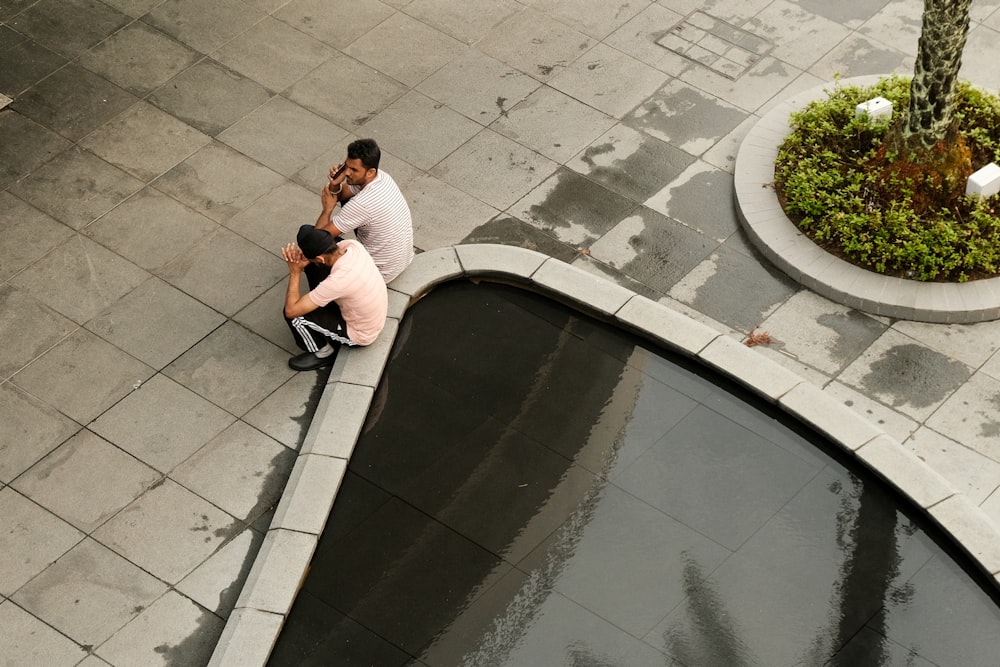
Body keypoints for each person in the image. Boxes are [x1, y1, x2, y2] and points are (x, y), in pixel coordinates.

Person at [282, 224, 387, 371]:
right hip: (374, 314)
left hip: (361, 333)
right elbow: (325, 258)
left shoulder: (337, 282)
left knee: (295, 317)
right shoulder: (352, 246)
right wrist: (309, 262)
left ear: (319, 257)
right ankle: (318, 298)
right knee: (313, 267)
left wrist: (295, 272)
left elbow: (291, 310)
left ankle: (324, 353)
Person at [314, 138, 413, 284]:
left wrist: (327, 210)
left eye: (354, 170)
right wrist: (335, 185)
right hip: (402, 261)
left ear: (370, 172)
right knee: (348, 203)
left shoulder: (362, 204)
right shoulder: (382, 177)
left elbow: (317, 241)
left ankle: (328, 300)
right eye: (346, 166)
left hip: (378, 274)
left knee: (306, 237)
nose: (347, 173)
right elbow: (342, 195)